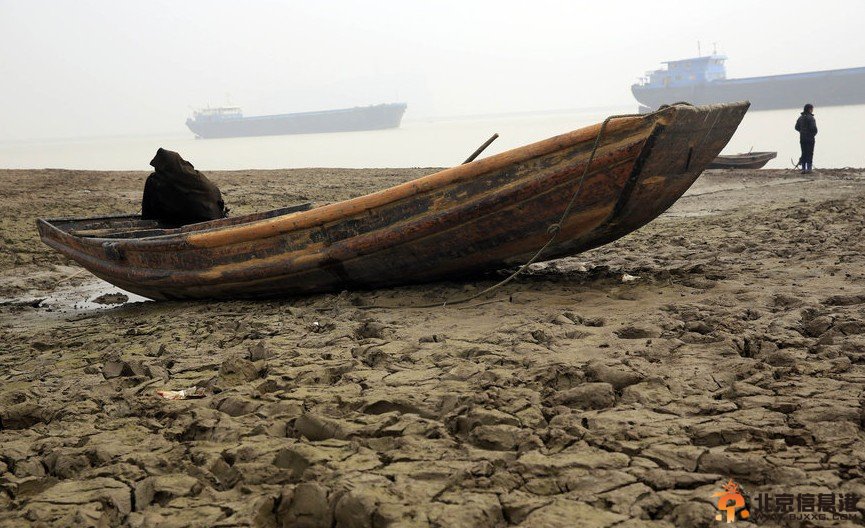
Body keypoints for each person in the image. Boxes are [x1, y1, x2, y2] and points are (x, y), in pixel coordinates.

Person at [795, 104, 817, 174]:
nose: (812, 110)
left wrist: (801, 132)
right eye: (812, 109)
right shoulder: (811, 118)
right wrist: (812, 134)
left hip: (802, 138)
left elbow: (796, 127)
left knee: (804, 153)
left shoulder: (800, 118)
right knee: (810, 153)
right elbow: (814, 129)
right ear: (810, 109)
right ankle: (809, 169)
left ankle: (803, 169)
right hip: (810, 139)